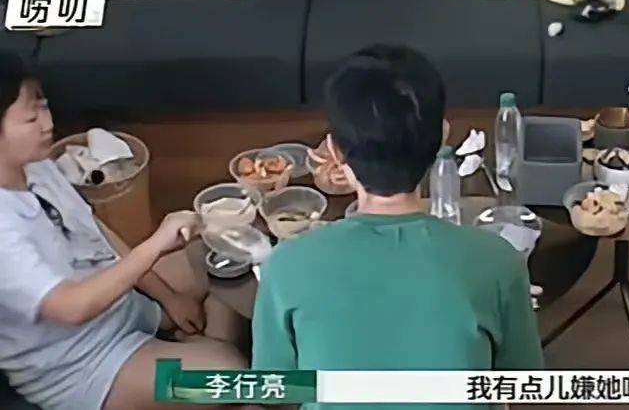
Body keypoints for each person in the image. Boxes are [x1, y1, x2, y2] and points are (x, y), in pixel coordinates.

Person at [253, 45, 543, 406]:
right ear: (442, 137)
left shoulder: (286, 265)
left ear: (334, 152)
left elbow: (274, 392)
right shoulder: (497, 260)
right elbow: (523, 383)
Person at [0, 55, 248, 410]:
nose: (48, 123)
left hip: (122, 305)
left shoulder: (35, 166)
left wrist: (168, 297)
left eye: (45, 107)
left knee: (220, 256)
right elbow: (72, 308)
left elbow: (96, 232)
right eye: (30, 117)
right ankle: (207, 364)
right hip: (83, 364)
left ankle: (196, 355)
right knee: (231, 377)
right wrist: (156, 245)